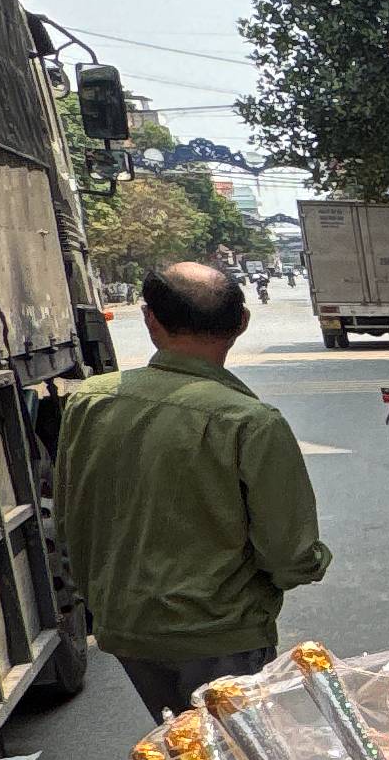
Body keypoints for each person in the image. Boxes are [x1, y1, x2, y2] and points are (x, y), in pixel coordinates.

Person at [54, 257, 331, 719]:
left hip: (126, 629)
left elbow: (68, 516)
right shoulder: (250, 421)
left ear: (150, 320)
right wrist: (312, 564)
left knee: (182, 745)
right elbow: (288, 553)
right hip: (220, 633)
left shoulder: (88, 401)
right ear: (242, 323)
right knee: (233, 752)